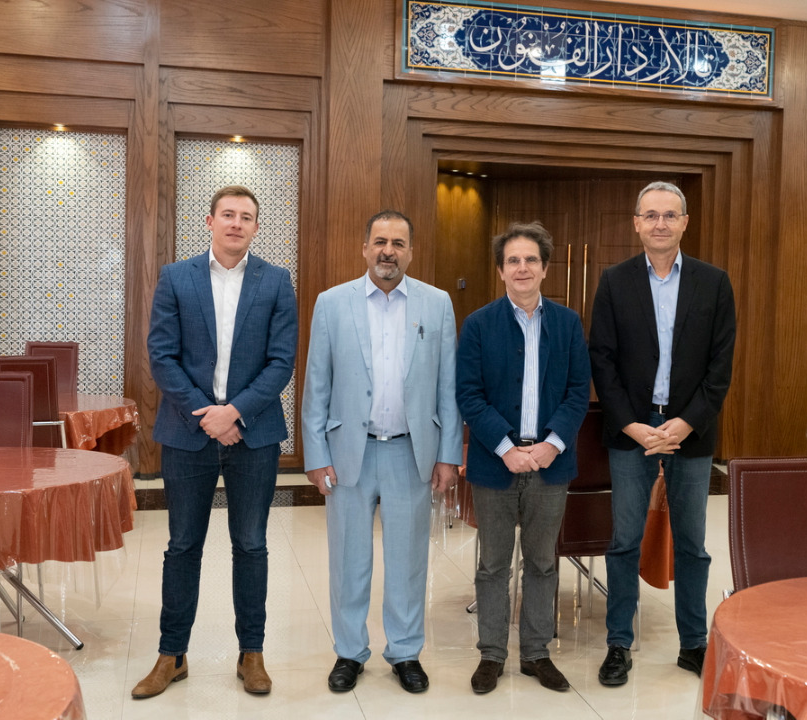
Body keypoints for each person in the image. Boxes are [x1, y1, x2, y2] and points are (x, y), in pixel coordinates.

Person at [133, 185, 297, 698]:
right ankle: (172, 654)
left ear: (255, 227)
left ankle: (252, 654)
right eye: (228, 214)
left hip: (254, 432)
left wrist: (235, 412)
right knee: (183, 545)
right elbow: (162, 355)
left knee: (251, 544)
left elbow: (282, 360)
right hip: (188, 432)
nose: (236, 223)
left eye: (246, 217)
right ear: (209, 221)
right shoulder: (176, 277)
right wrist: (206, 416)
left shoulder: (276, 281)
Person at [301, 210, 463, 694]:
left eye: (397, 243)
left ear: (411, 252)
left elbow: (448, 386)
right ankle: (349, 652)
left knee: (408, 560)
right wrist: (315, 453)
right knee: (348, 560)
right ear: (365, 248)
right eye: (379, 241)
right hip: (348, 451)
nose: (387, 251)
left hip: (411, 453)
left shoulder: (436, 304)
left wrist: (448, 453)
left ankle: (405, 651)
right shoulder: (332, 303)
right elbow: (316, 383)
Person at [588, 181, 736, 684]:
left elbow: (720, 368)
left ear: (684, 223)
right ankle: (618, 644)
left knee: (692, 543)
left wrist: (686, 422)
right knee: (624, 540)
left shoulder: (714, 283)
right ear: (636, 223)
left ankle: (693, 644)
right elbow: (602, 360)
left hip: (690, 429)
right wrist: (632, 425)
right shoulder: (614, 282)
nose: (660, 223)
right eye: (650, 215)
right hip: (631, 429)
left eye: (670, 215)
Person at [455, 222, 590, 695]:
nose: (522, 268)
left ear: (545, 268)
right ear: (500, 270)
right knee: (493, 565)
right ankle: (491, 654)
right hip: (496, 462)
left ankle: (536, 653)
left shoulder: (568, 324)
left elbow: (578, 392)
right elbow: (469, 395)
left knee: (542, 563)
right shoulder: (478, 325)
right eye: (513, 260)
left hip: (551, 463)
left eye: (531, 259)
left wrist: (552, 444)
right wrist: (506, 449)